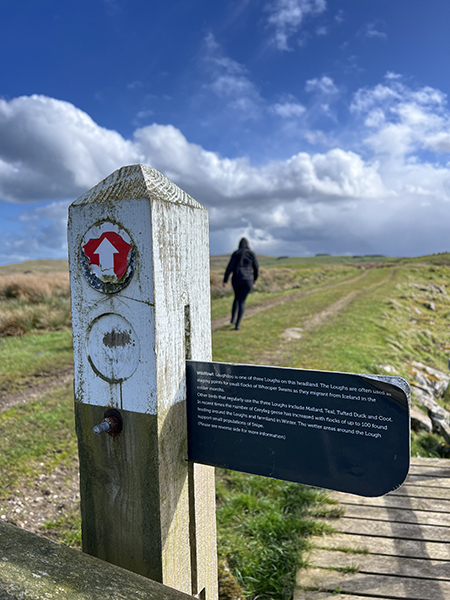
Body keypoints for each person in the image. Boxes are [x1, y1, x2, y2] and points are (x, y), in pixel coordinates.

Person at [222, 238, 259, 330]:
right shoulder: (251, 254)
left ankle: (232, 319)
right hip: (248, 279)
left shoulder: (236, 253)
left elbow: (230, 267)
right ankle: (237, 324)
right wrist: (255, 278)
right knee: (242, 301)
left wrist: (225, 280)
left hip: (236, 278)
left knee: (236, 298)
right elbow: (256, 268)